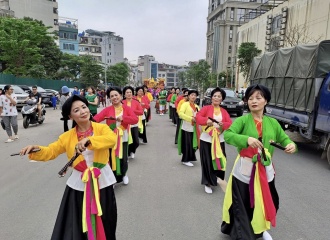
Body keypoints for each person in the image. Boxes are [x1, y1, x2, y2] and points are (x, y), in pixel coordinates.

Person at [19, 94, 118, 240]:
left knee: (106, 219)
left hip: (102, 181)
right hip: (80, 183)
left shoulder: (102, 129)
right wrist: (35, 149)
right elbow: (51, 151)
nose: (83, 111)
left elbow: (111, 139)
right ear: (70, 117)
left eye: (84, 107)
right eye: (76, 110)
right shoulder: (66, 137)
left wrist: (89, 140)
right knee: (77, 222)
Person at [221, 84, 297, 240]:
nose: (253, 101)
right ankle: (244, 234)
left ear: (266, 101)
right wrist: (246, 139)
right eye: (250, 98)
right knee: (243, 203)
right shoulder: (242, 120)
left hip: (265, 169)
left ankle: (261, 229)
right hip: (245, 168)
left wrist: (291, 145)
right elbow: (228, 135)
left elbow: (285, 139)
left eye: (258, 97)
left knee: (267, 200)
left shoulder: (273, 123)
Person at [94, 87, 138, 185]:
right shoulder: (107, 109)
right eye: (112, 96)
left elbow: (135, 119)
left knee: (123, 158)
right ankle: (113, 178)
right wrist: (88, 121)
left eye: (116, 95)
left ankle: (124, 175)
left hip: (123, 137)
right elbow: (97, 118)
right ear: (110, 98)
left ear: (120, 96)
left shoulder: (127, 109)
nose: (114, 97)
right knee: (111, 158)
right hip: (111, 138)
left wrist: (123, 118)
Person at [196, 87, 232, 194]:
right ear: (211, 97)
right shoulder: (206, 108)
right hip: (206, 139)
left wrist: (223, 124)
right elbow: (198, 117)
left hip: (219, 140)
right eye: (215, 96)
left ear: (222, 99)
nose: (216, 98)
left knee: (220, 159)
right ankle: (207, 182)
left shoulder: (224, 111)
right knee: (207, 161)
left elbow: (229, 123)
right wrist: (206, 121)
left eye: (219, 96)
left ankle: (215, 176)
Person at [178, 89, 200, 167]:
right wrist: (190, 118)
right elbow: (180, 114)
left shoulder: (197, 106)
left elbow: (200, 116)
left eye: (195, 95)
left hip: (194, 128)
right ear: (188, 96)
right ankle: (185, 159)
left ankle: (189, 157)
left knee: (193, 143)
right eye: (192, 95)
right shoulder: (185, 104)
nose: (193, 97)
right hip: (186, 127)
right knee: (187, 143)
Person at [122, 86, 144, 159]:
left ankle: (132, 151)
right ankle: (127, 153)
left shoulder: (136, 102)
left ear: (132, 93)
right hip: (124, 124)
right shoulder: (122, 102)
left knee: (136, 141)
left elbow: (141, 112)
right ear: (124, 94)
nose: (129, 94)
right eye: (127, 92)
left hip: (134, 123)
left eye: (130, 92)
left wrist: (131, 110)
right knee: (126, 140)